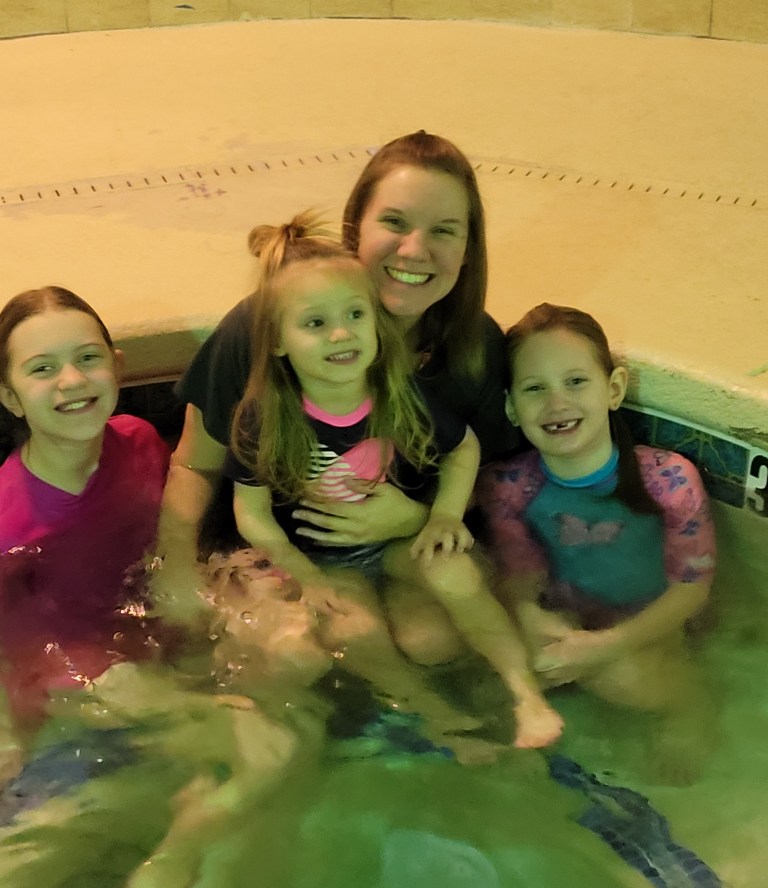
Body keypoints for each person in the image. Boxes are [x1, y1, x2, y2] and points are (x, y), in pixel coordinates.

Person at [224, 213, 562, 751]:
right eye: (315, 323)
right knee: (351, 631)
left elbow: (463, 449)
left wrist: (445, 516)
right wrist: (304, 575)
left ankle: (525, 693)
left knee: (454, 574)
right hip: (327, 560)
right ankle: (437, 716)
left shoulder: (399, 392)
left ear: (376, 325)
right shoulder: (263, 416)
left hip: (394, 542)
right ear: (279, 341)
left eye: (355, 314)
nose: (341, 334)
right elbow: (251, 513)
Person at [154, 131, 519, 623]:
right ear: (355, 231)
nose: (415, 250)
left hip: (396, 548)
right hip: (276, 558)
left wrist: (415, 518)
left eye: (444, 230)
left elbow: (493, 474)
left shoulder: (475, 346)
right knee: (317, 644)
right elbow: (195, 464)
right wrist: (175, 568)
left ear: (469, 249)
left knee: (434, 642)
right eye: (394, 222)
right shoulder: (264, 327)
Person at [476, 303, 717, 779]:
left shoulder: (668, 482)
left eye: (575, 382)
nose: (556, 403)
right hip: (572, 617)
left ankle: (690, 704)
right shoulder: (508, 486)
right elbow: (521, 574)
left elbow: (692, 589)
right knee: (495, 670)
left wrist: (605, 647)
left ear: (614, 389)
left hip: (653, 625)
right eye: (535, 388)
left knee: (621, 675)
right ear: (511, 407)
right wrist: (533, 619)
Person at [0, 286, 170, 745]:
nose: (72, 380)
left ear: (118, 367)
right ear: (10, 397)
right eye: (43, 368)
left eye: (88, 358)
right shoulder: (7, 520)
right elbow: (18, 651)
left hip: (151, 635)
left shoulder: (141, 442)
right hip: (76, 684)